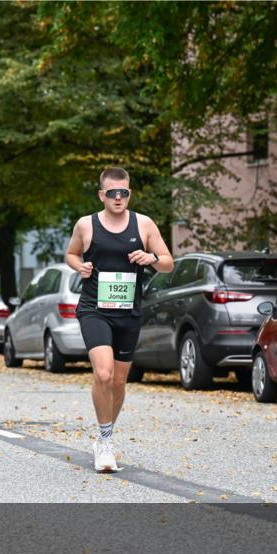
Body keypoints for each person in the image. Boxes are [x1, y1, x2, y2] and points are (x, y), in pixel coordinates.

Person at [65, 166, 174, 473]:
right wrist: (79, 266)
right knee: (102, 373)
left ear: (129, 193)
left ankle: (105, 437)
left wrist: (151, 258)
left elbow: (168, 262)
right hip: (94, 309)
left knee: (118, 380)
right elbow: (71, 254)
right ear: (102, 195)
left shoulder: (144, 224)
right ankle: (105, 439)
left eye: (123, 192)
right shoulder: (86, 225)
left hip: (128, 312)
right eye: (111, 192)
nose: (117, 197)